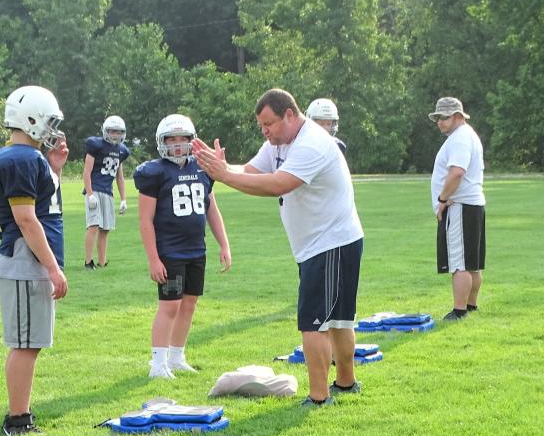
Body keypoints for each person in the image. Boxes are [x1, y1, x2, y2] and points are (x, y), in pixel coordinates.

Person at [193, 89, 363, 407]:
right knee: (338, 319)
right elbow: (254, 170)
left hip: (329, 243)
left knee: (315, 323)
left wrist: (224, 176)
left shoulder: (311, 142)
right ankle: (346, 383)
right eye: (261, 126)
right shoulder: (280, 142)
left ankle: (319, 397)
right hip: (329, 242)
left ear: (289, 114)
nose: (265, 131)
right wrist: (224, 166)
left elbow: (278, 184)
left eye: (268, 124)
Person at [0, 85, 69, 436]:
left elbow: (42, 206)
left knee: (30, 341)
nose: (51, 131)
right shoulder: (20, 158)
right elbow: (25, 218)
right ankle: (17, 419)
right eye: (48, 123)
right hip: (23, 257)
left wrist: (55, 170)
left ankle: (22, 413)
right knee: (25, 343)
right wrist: (52, 267)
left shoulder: (27, 158)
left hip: (27, 257)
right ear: (31, 120)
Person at [133, 113, 231, 379]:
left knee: (189, 304)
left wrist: (224, 243)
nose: (177, 144)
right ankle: (157, 364)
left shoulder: (201, 168)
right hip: (170, 251)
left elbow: (212, 209)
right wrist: (154, 258)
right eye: (171, 139)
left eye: (182, 139)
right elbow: (145, 220)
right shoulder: (153, 172)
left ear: (191, 141)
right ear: (161, 142)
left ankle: (177, 357)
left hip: (196, 250)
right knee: (170, 306)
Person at [429, 96, 485, 321]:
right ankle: (470, 306)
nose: (439, 122)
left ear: (458, 116)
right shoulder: (467, 135)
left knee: (459, 263)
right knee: (472, 262)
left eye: (444, 117)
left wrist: (442, 199)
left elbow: (457, 172)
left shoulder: (460, 139)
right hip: (472, 204)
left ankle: (459, 310)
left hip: (460, 205)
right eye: (437, 118)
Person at [82, 115, 130, 268]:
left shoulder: (122, 151)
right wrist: (90, 194)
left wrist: (123, 199)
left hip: (108, 192)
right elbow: (86, 171)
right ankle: (88, 261)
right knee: (93, 225)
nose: (115, 135)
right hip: (95, 189)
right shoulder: (96, 145)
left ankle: (102, 262)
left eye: (118, 132)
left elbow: (120, 178)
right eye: (112, 132)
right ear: (105, 131)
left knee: (105, 229)